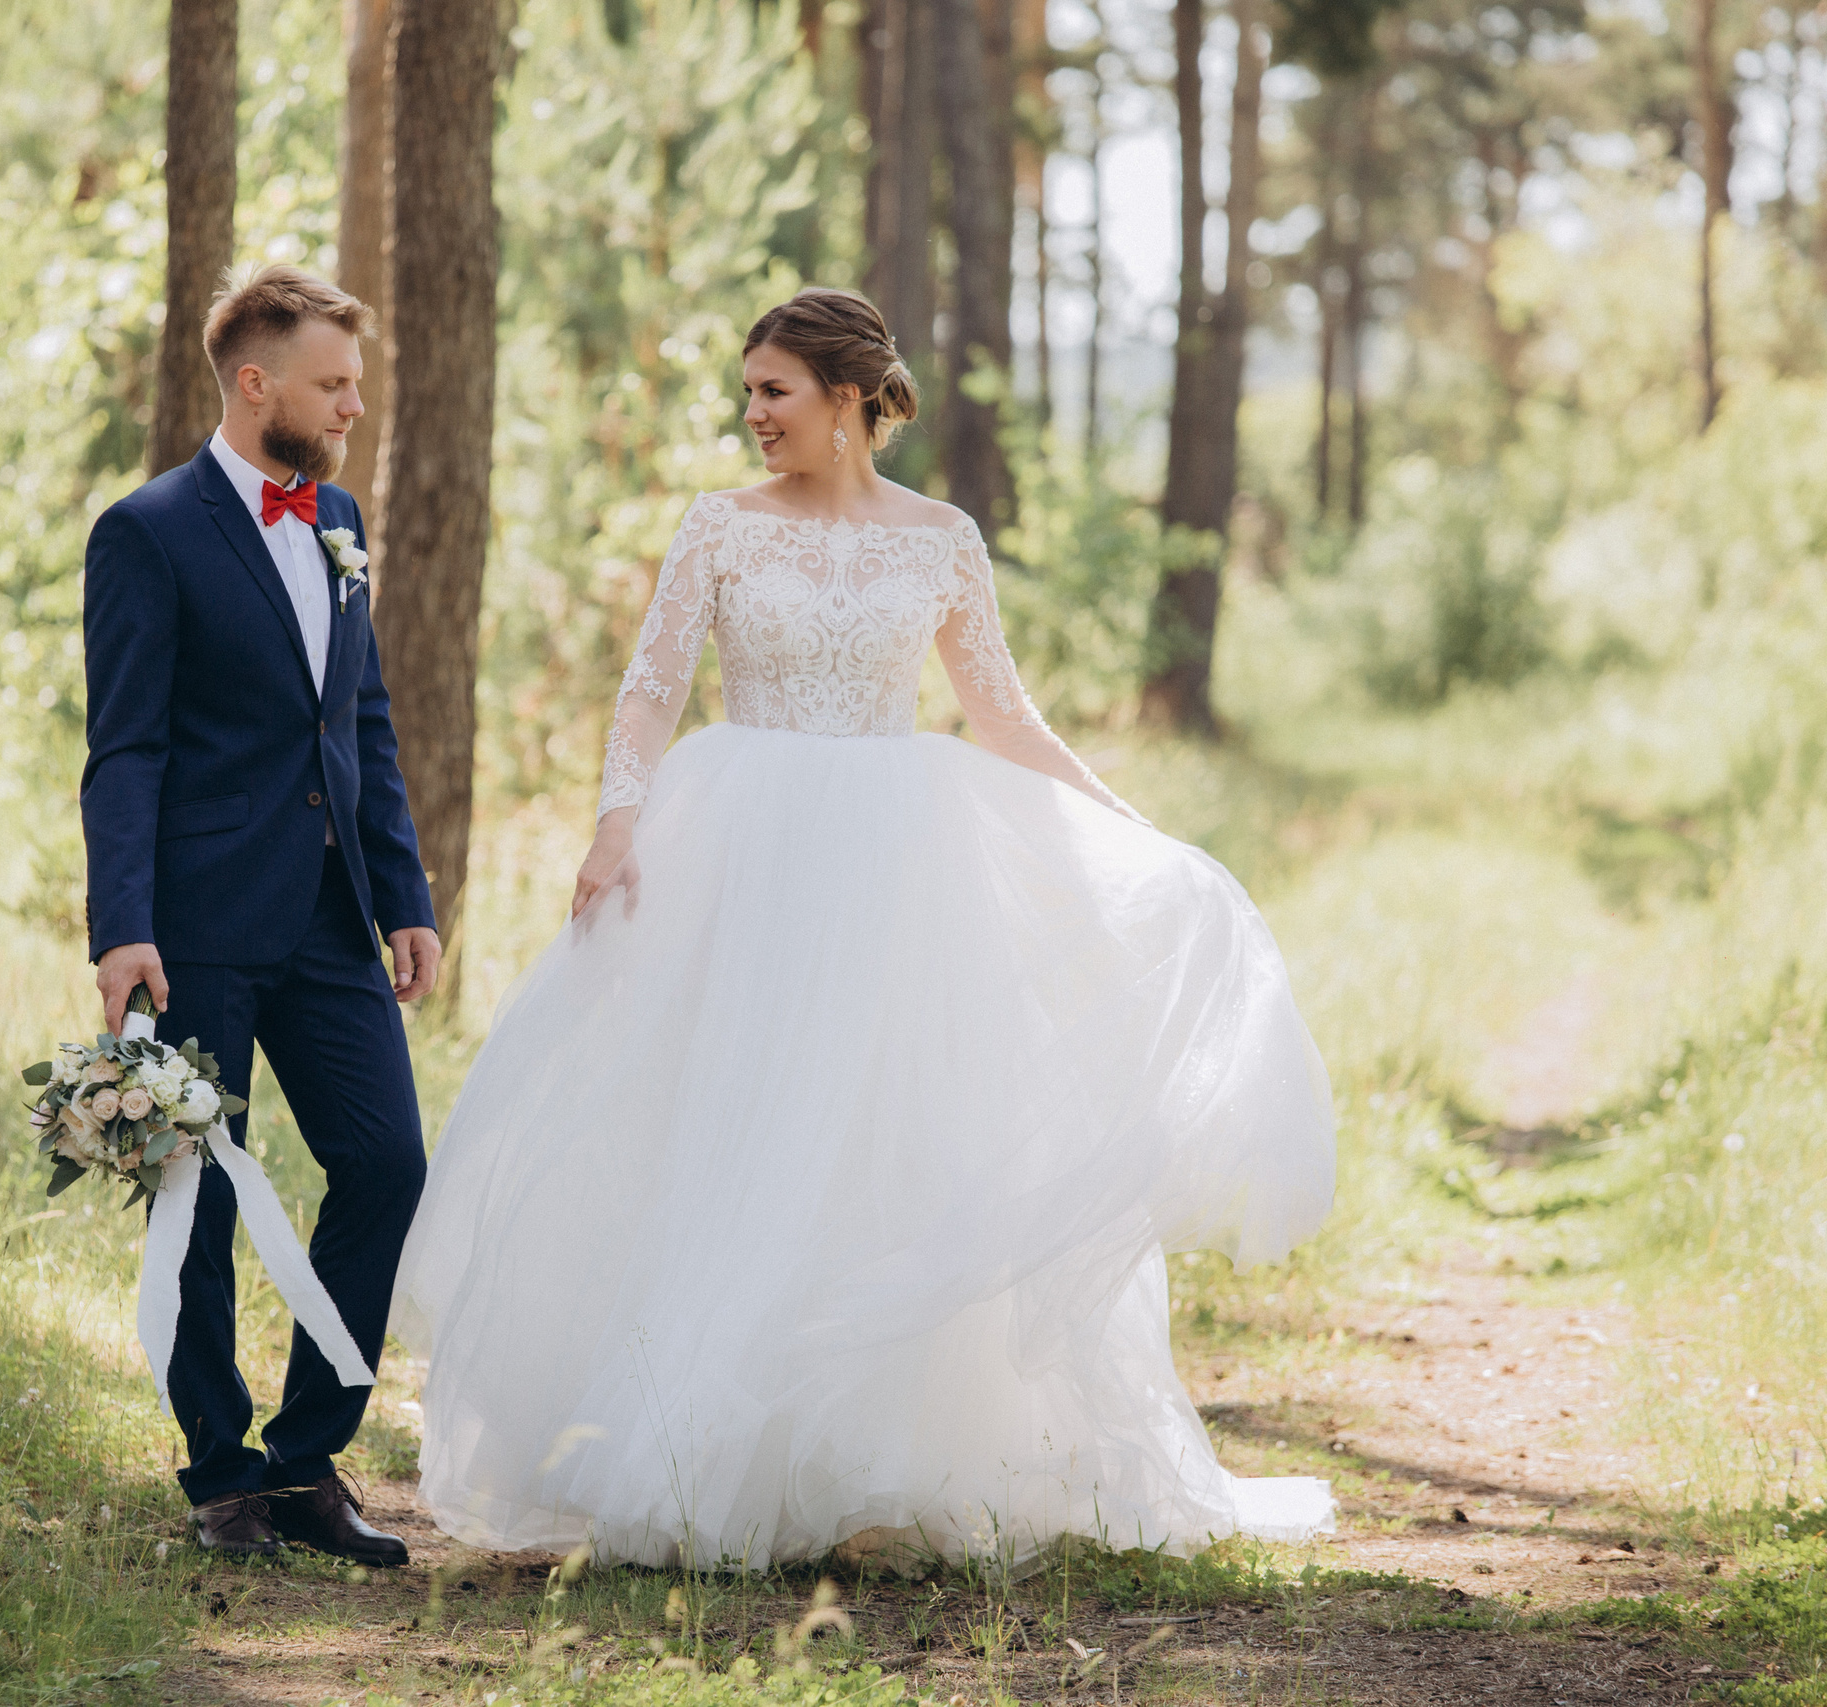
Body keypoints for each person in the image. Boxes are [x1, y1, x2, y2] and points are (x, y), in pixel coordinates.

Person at [393, 287, 1339, 1573]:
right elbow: (651, 689)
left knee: (884, 1139)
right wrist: (617, 821)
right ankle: (699, 1450)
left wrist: (1131, 827)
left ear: (846, 398)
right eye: (748, 392)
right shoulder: (719, 527)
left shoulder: (941, 539)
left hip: (895, 869)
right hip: (739, 853)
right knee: (734, 1128)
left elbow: (999, 714)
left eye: (772, 391)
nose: (752, 414)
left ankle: (873, 1473)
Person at [80, 264, 442, 1565]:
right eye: (332, 384)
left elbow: (363, 721)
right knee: (196, 1196)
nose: (353, 406)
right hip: (196, 925)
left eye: (355, 383)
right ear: (254, 383)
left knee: (388, 1164)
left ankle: (304, 1462)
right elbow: (124, 746)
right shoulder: (146, 531)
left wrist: (403, 893)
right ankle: (221, 1473)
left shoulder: (337, 516)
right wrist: (122, 925)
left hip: (333, 917)